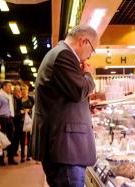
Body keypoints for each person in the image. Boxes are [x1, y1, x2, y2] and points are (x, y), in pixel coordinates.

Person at [31, 25, 98, 187]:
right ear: (83, 41)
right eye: (92, 50)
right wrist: (89, 74)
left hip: (64, 147)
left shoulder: (60, 54)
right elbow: (79, 90)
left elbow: (65, 99)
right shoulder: (63, 55)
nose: (89, 56)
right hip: (67, 150)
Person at [0, 81, 18, 165]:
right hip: (2, 119)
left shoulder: (9, 96)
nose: (11, 88)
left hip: (9, 119)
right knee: (1, 140)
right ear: (4, 86)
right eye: (9, 86)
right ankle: (1, 160)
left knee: (11, 139)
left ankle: (11, 158)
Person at [20, 84, 34, 162]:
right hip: (21, 122)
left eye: (26, 90)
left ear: (28, 91)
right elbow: (16, 110)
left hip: (29, 121)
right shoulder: (18, 100)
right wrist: (21, 111)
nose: (24, 91)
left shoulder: (31, 99)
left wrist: (30, 110)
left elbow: (34, 108)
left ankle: (29, 155)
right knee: (22, 140)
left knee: (29, 139)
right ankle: (22, 156)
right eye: (23, 90)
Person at [12, 84, 22, 157]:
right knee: (12, 136)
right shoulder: (11, 98)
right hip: (12, 120)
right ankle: (11, 151)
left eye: (19, 90)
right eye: (17, 90)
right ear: (14, 91)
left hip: (18, 120)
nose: (18, 92)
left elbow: (20, 108)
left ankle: (14, 150)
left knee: (17, 136)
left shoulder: (19, 99)